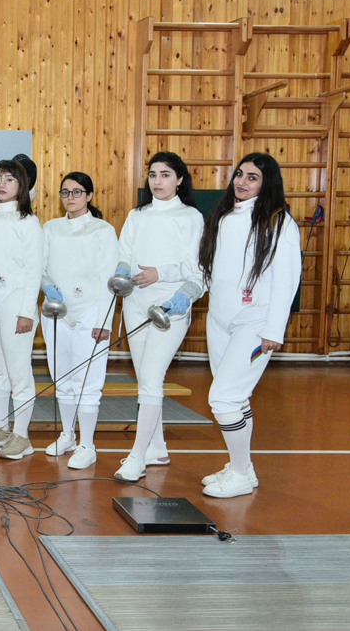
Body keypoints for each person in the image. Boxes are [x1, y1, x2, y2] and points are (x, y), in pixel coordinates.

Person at [197, 153, 300, 498]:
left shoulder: (279, 223)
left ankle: (240, 474)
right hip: (220, 320)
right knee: (236, 398)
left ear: (266, 183)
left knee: (223, 398)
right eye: (239, 174)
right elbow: (211, 268)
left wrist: (274, 330)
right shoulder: (225, 215)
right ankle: (242, 467)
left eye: (252, 177)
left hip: (255, 324)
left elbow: (286, 280)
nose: (242, 182)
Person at [114, 151, 204, 482]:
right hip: (135, 303)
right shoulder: (137, 215)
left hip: (170, 305)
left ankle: (137, 456)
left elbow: (196, 267)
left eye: (165, 175)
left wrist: (159, 273)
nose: (157, 181)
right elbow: (125, 252)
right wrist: (122, 269)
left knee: (152, 377)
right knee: (147, 379)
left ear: (179, 179)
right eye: (153, 175)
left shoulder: (190, 217)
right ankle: (158, 448)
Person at [39, 172, 118, 469]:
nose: (70, 197)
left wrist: (104, 321)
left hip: (91, 311)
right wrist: (47, 287)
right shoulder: (51, 228)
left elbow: (109, 278)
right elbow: (39, 267)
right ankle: (68, 435)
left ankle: (88, 445)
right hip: (56, 311)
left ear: (89, 196)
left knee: (88, 381)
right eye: (65, 192)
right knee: (62, 378)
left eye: (77, 192)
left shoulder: (103, 230)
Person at [0, 159, 44, 459]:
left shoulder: (28, 222)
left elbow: (35, 270)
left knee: (19, 373)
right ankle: (0, 428)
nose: (2, 184)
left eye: (9, 179)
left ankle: (22, 436)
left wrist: (27, 311)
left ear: (21, 185)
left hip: (16, 302)